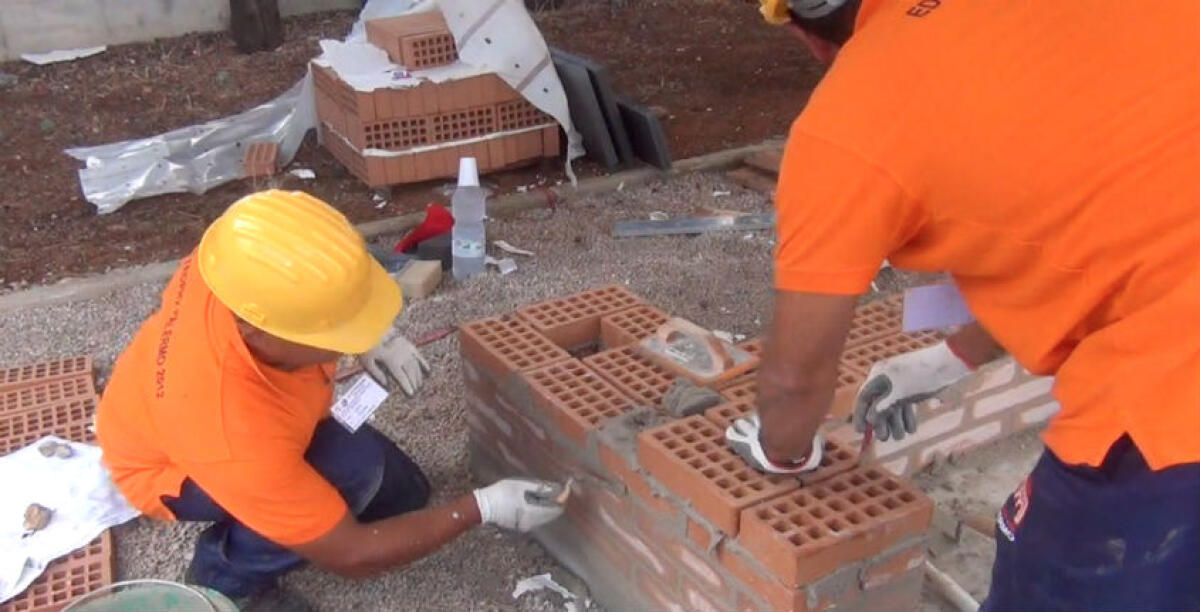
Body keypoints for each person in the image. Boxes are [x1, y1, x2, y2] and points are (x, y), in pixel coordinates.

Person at [724, 1, 1199, 611]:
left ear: (799, 28)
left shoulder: (850, 119)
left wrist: (779, 448)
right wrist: (951, 358)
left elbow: (794, 380)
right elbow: (1097, 215)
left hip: (1174, 404)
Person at [97, 190, 565, 612]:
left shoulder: (239, 257)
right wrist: (480, 508)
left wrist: (371, 334)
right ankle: (224, 576)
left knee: (405, 494)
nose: (344, 345)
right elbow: (352, 556)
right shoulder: (232, 434)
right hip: (174, 468)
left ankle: (289, 516)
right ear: (258, 332)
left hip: (217, 414)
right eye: (335, 333)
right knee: (353, 474)